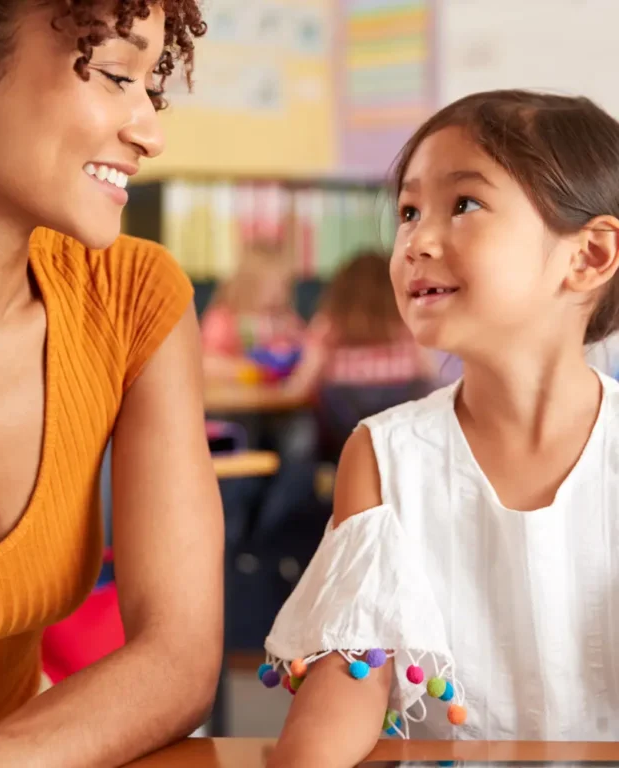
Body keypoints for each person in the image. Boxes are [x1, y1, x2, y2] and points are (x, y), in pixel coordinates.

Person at [0, 2, 224, 767]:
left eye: (149, 85)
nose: (150, 131)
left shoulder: (129, 299)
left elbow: (177, 657)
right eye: (116, 74)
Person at [261, 89, 619, 768]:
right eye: (407, 212)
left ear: (590, 256)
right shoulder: (384, 453)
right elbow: (348, 686)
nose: (417, 241)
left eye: (463, 205)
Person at [285, 251, 435, 459]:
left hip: (342, 444)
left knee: (297, 433)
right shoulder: (408, 324)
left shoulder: (329, 326)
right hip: (401, 446)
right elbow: (431, 378)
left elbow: (301, 386)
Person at [200, 240, 304, 383]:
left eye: (284, 286)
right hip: (235, 399)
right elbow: (205, 363)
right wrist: (253, 371)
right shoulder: (223, 319)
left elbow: (304, 352)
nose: (279, 294)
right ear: (247, 284)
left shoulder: (287, 319)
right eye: (270, 285)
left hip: (277, 401)